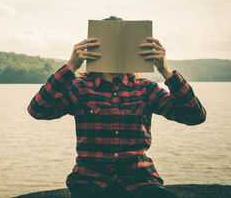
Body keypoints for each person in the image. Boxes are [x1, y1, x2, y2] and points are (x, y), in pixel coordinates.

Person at [27, 18, 206, 198]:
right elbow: (37, 110)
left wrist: (165, 70)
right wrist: (70, 66)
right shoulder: (80, 88)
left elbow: (195, 116)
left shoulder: (145, 88)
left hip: (140, 180)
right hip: (89, 181)